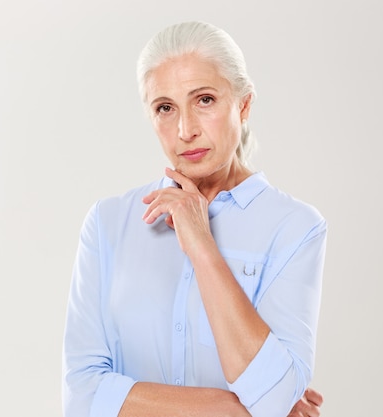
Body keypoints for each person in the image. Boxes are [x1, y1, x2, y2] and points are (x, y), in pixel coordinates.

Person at [63, 21, 327, 417]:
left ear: (243, 104)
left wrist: (202, 246)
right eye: (165, 108)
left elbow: (273, 398)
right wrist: (233, 408)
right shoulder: (109, 222)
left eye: (204, 100)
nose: (185, 130)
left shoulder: (295, 228)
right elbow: (81, 398)